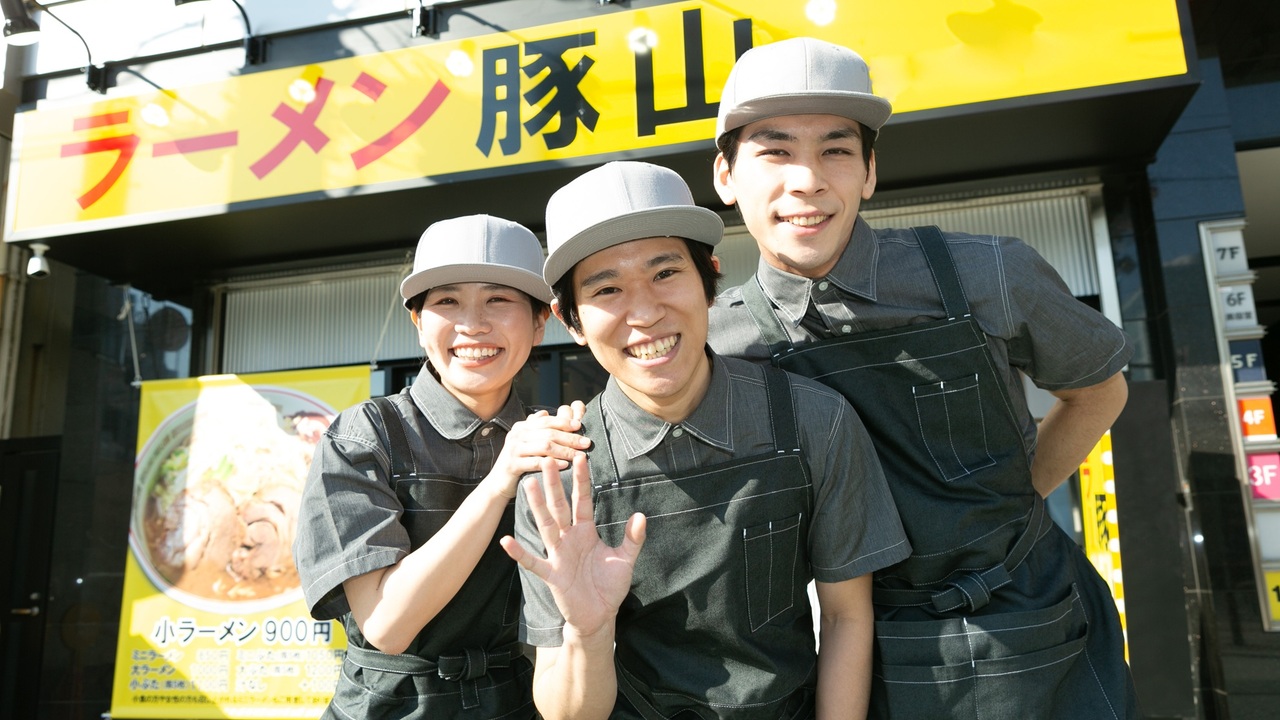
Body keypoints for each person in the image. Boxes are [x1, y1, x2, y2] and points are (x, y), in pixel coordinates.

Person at [706, 37, 1138, 719]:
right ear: (726, 176)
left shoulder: (988, 273)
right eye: (775, 151)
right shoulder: (717, 343)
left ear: (869, 172)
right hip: (857, 652)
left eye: (836, 150)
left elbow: (1099, 391)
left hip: (1033, 623)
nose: (807, 180)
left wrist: (1013, 507)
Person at [500, 160, 910, 720]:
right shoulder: (558, 478)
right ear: (570, 320)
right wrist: (588, 633)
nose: (645, 313)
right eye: (607, 288)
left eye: (665, 273)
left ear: (710, 279)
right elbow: (567, 712)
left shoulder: (813, 419)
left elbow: (845, 616)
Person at [293, 215, 591, 719]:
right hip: (390, 706)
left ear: (541, 322)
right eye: (447, 301)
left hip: (518, 702)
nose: (473, 324)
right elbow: (386, 625)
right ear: (417, 321)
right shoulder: (365, 435)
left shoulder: (554, 437)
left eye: (499, 300)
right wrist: (499, 482)